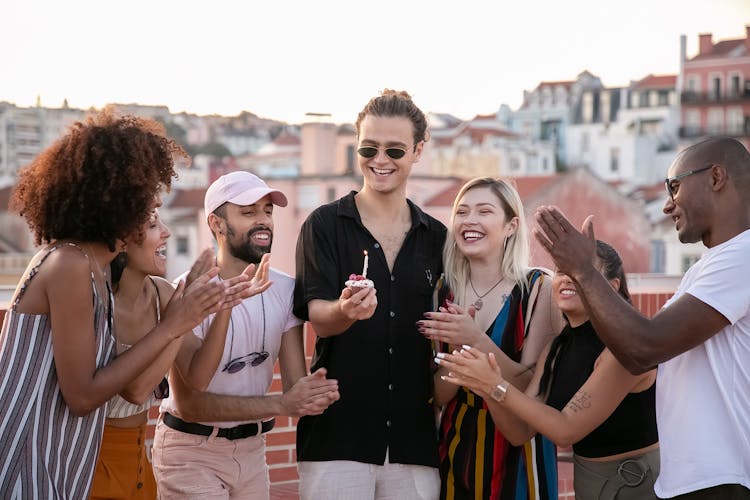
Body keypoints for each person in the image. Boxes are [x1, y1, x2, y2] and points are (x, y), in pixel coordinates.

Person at [0, 110, 241, 499]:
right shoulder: (70, 264)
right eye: (143, 207)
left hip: (60, 464)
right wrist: (174, 323)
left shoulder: (93, 270)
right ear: (113, 202)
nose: (157, 224)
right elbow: (82, 397)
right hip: (27, 466)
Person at [533, 136, 750, 499]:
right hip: (699, 481)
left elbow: (644, 347)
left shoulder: (742, 257)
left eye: (675, 187)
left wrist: (585, 272)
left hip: (723, 481)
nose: (667, 205)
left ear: (716, 178)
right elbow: (635, 347)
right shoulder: (715, 264)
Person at [292, 89, 446, 500]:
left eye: (394, 150)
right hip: (337, 439)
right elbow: (317, 315)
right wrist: (345, 310)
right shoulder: (323, 225)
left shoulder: (437, 238)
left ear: (418, 151)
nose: (380, 160)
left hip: (415, 443)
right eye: (368, 148)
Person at [152, 171, 339, 499]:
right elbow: (191, 403)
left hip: (253, 452)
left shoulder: (284, 289)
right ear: (217, 224)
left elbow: (296, 390)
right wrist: (281, 403)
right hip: (191, 452)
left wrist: (316, 393)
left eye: (267, 211)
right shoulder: (184, 293)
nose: (264, 220)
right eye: (248, 212)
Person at [436, 240, 660, 499]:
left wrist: (494, 385)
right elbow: (519, 432)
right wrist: (486, 387)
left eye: (581, 271)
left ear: (611, 287)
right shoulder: (557, 348)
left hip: (635, 483)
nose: (566, 278)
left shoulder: (624, 348)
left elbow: (565, 430)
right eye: (562, 271)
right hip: (591, 484)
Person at [90, 210, 269, 500]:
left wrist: (225, 306)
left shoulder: (163, 293)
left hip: (139, 462)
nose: (166, 232)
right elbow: (136, 391)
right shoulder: (98, 300)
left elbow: (198, 377)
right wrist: (179, 321)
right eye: (151, 225)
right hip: (95, 463)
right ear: (121, 240)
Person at [416, 176, 562, 499]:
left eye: (484, 212)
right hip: (458, 450)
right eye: (462, 212)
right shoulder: (443, 291)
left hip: (520, 456)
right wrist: (457, 358)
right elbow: (439, 396)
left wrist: (474, 341)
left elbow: (529, 387)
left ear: (511, 226)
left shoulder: (539, 289)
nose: (470, 221)